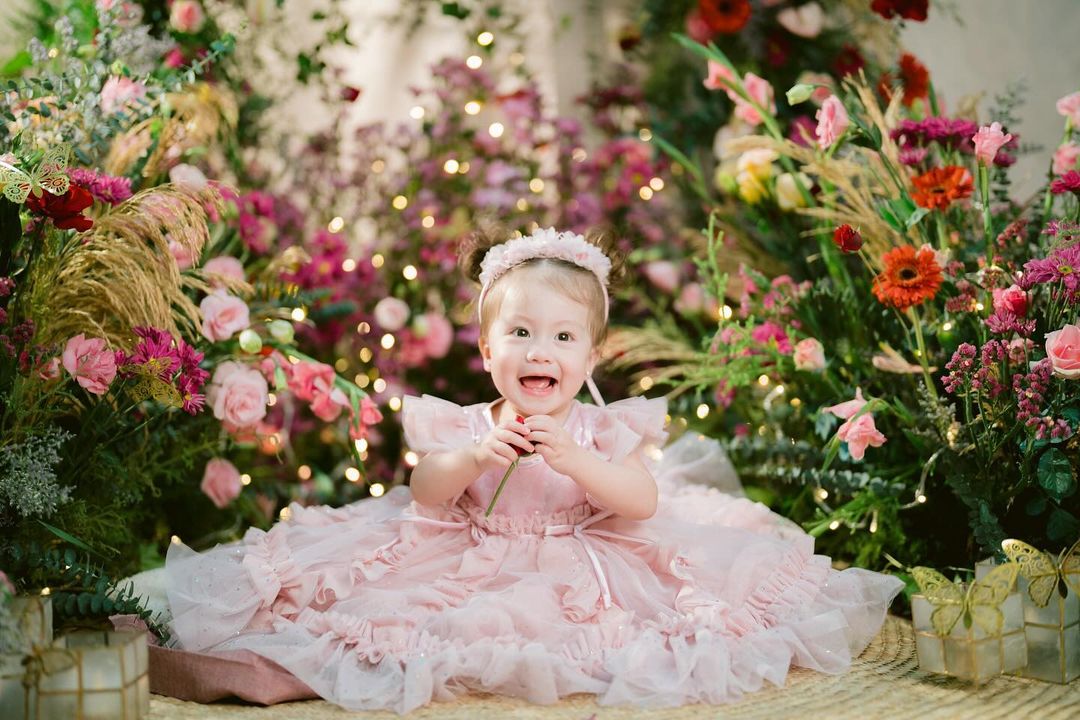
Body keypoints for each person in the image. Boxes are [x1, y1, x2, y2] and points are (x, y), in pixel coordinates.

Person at [165, 226, 902, 713]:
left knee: (646, 621)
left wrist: (578, 459)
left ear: (589, 358)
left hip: (582, 555)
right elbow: (424, 491)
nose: (539, 351)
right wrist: (473, 457)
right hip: (471, 550)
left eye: (561, 336)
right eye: (519, 333)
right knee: (373, 612)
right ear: (487, 352)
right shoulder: (469, 423)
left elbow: (639, 501)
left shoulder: (599, 425)